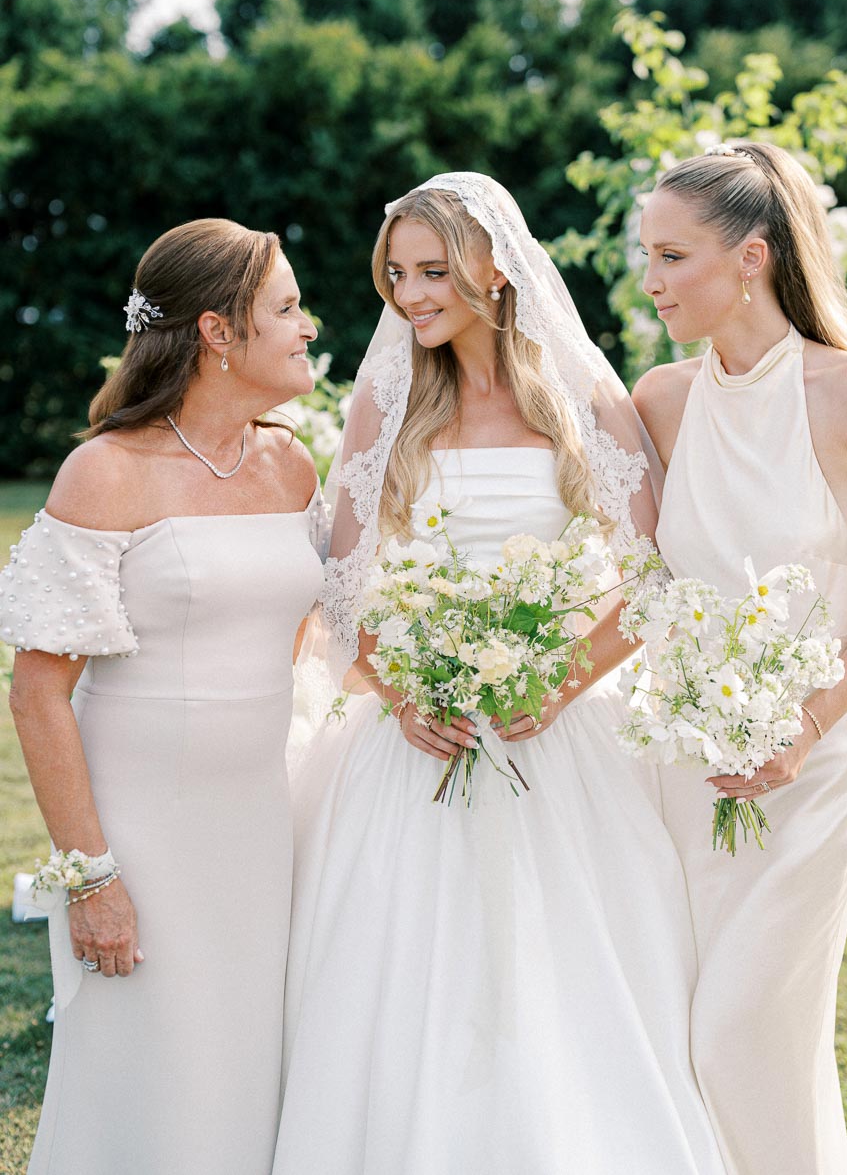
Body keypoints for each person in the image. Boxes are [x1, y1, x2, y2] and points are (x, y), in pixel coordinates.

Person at [274, 173, 725, 1174]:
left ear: (496, 268)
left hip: (557, 740)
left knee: (554, 978)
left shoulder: (584, 400)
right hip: (411, 740)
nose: (411, 294)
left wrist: (554, 682)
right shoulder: (384, 403)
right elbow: (342, 584)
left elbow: (653, 585)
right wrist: (403, 695)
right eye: (396, 274)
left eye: (434, 270)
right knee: (406, 981)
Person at [3, 219, 325, 1175]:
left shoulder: (291, 464)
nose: (310, 326)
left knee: (249, 1067)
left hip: (262, 826)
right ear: (218, 334)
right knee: (149, 1074)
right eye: (288, 308)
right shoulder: (105, 472)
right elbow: (37, 695)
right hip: (141, 836)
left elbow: (296, 632)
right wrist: (92, 877)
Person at [633, 142, 847, 1174]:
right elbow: (628, 579)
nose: (650, 282)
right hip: (682, 769)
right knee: (690, 1038)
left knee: (744, 1032)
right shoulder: (657, 400)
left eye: (671, 256)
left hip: (816, 761)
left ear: (750, 258)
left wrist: (805, 726)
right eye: (645, 257)